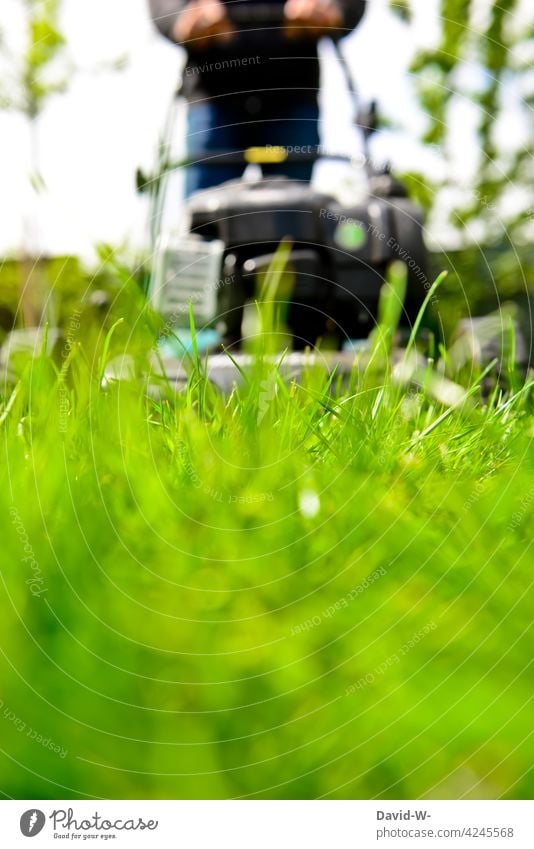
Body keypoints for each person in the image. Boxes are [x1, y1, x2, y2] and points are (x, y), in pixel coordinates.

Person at [148, 0, 367, 194]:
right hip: (213, 96)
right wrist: (181, 17)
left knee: (295, 218)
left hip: (293, 94)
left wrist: (331, 7)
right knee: (203, 222)